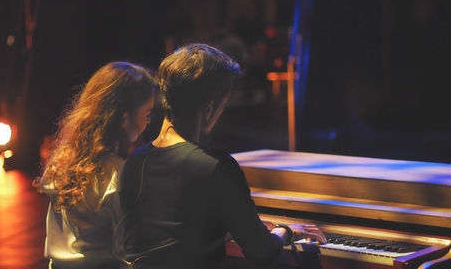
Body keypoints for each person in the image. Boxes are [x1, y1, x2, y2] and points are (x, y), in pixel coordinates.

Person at [110, 44, 326, 269]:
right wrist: (286, 231)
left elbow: (170, 241)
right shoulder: (215, 166)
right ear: (209, 109)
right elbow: (262, 252)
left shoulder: (134, 162)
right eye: (223, 107)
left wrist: (228, 228)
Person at [34, 62, 156, 269]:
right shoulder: (118, 173)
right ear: (125, 119)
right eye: (147, 113)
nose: (149, 121)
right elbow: (127, 249)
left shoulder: (63, 161)